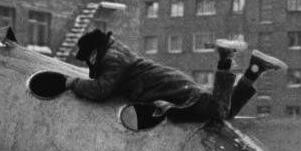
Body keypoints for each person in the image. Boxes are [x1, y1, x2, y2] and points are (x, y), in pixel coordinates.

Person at [64, 29, 287, 121]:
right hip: (176, 86)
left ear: (94, 53)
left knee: (219, 111)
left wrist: (73, 82)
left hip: (176, 94)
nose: (89, 64)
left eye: (88, 58)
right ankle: (255, 69)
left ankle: (225, 58)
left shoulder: (113, 59)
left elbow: (101, 89)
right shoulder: (117, 53)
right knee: (227, 111)